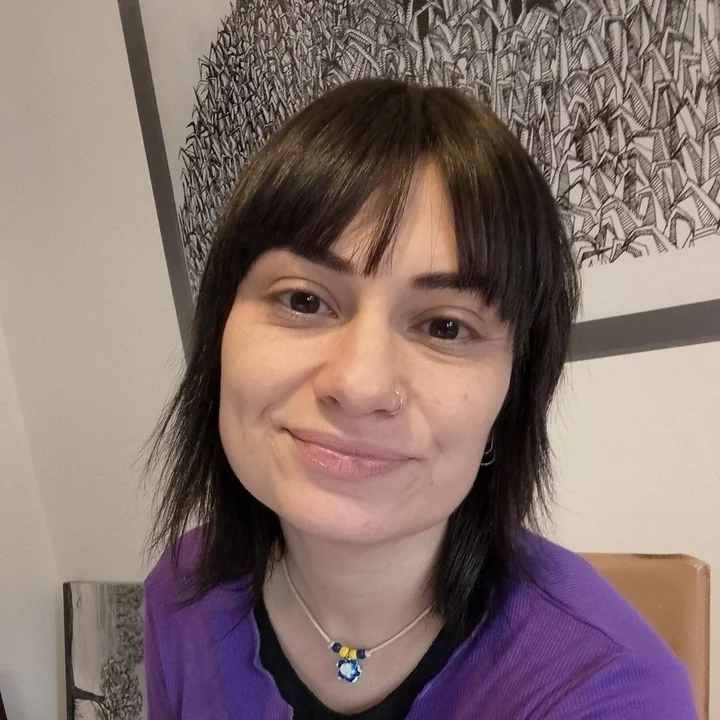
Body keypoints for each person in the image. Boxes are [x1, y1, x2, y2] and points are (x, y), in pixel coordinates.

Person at [141, 78, 697, 719]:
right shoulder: (182, 594)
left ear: (513, 393)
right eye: (304, 300)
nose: (360, 385)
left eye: (446, 327)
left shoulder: (610, 692)